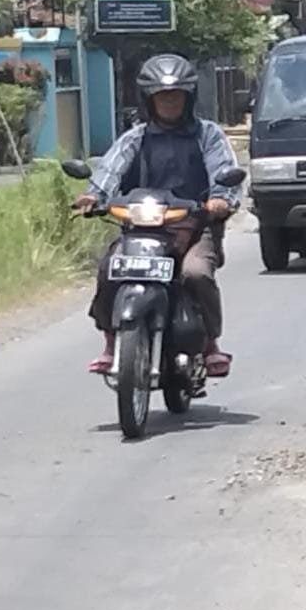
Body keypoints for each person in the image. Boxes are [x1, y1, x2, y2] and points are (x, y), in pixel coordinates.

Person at [75, 53, 242, 378]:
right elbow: (110, 169)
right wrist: (94, 196)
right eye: (162, 97)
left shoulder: (207, 135)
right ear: (149, 100)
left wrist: (221, 201)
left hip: (194, 226)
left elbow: (224, 171)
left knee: (195, 273)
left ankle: (211, 345)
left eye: (175, 96)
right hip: (141, 226)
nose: (169, 103)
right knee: (111, 267)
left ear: (188, 98)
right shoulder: (136, 137)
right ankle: (111, 343)